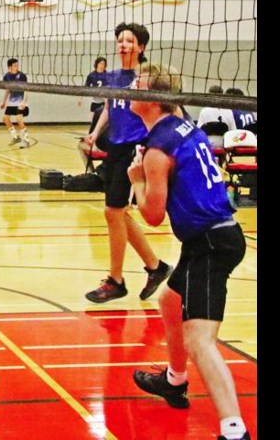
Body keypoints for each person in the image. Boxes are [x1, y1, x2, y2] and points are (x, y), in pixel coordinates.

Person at [127, 63, 250, 440]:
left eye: (138, 83)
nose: (131, 87)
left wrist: (137, 181)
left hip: (212, 243)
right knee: (169, 300)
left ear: (154, 99)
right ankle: (174, 380)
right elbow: (175, 103)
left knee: (200, 340)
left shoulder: (156, 152)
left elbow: (151, 215)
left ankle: (234, 429)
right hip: (210, 238)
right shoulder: (182, 122)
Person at [84, 22, 171, 303]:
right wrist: (95, 133)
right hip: (115, 148)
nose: (123, 44)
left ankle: (116, 280)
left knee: (113, 210)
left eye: (130, 41)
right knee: (118, 212)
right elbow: (109, 107)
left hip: (136, 149)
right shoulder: (111, 76)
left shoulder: (146, 78)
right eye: (120, 40)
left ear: (141, 47)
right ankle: (156, 267)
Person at [0, 58, 29, 148]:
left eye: (17, 65)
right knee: (5, 119)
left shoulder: (22, 76)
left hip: (21, 101)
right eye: (15, 65)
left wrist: (24, 102)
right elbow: (7, 90)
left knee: (18, 118)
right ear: (10, 67)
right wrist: (4, 101)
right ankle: (15, 137)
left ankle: (26, 140)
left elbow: (26, 89)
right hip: (12, 102)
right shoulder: (7, 77)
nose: (17, 66)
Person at [84, 57, 108, 132]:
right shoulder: (92, 75)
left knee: (104, 120)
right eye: (100, 63)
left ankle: (103, 135)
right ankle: (92, 133)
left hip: (105, 101)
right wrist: (80, 98)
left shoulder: (107, 75)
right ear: (97, 64)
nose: (102, 65)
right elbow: (85, 87)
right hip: (95, 101)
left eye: (103, 64)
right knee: (94, 119)